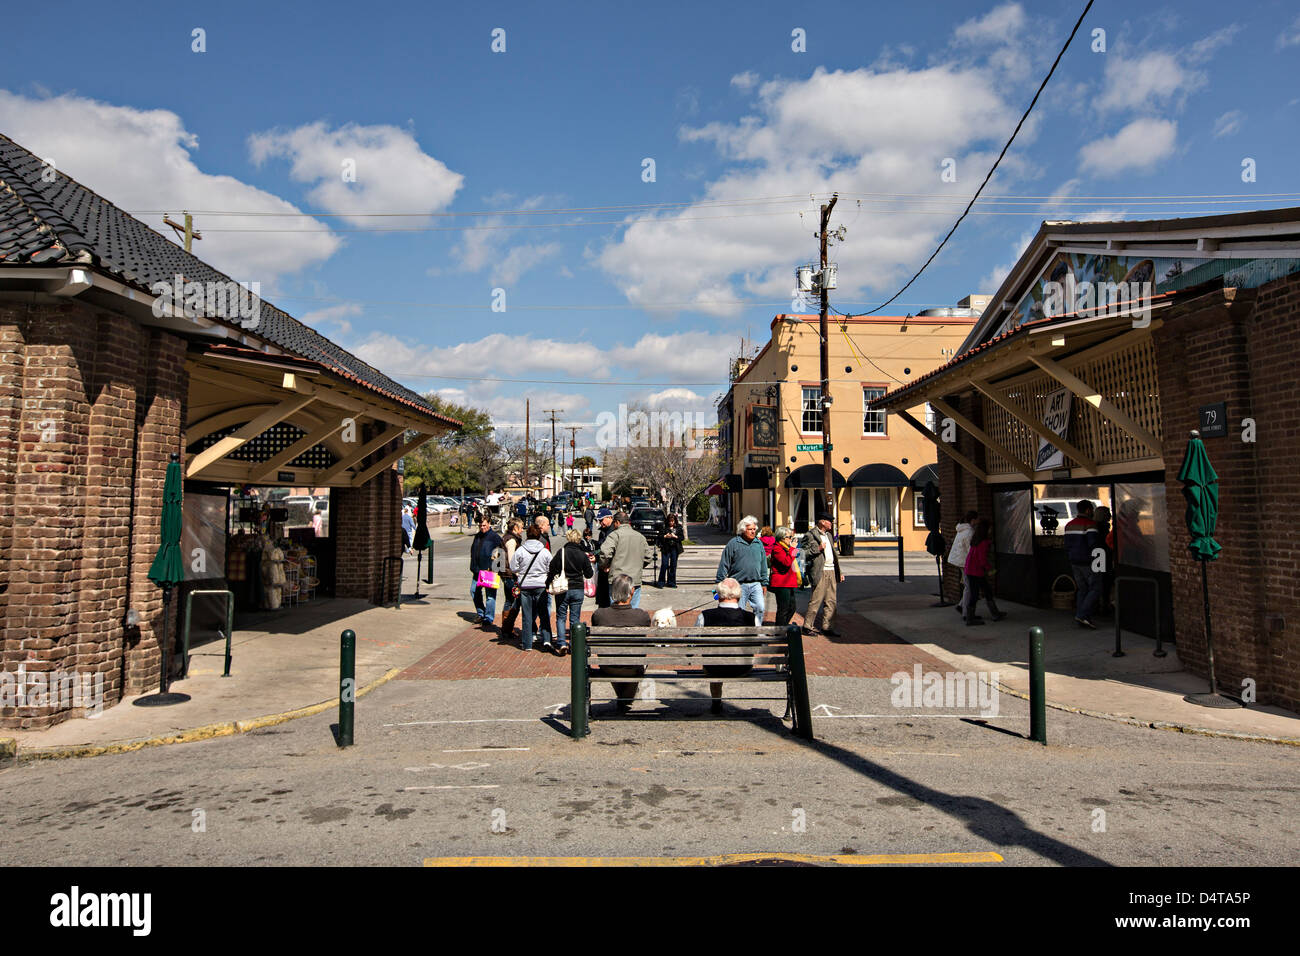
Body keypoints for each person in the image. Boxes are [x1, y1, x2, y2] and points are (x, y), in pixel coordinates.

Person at [590, 573, 651, 710]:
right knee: (635, 661)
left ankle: (624, 698)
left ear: (613, 592)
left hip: (607, 666)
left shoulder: (599, 615)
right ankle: (626, 698)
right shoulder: (642, 616)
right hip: (633, 668)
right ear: (632, 592)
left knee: (614, 659)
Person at [697, 577, 757, 714]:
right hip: (742, 668)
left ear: (718, 595)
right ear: (738, 595)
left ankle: (716, 701)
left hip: (713, 669)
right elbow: (761, 641)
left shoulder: (705, 616)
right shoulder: (751, 618)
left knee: (715, 661)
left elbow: (694, 642)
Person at [546, 528, 594, 655]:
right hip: (577, 587)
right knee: (575, 618)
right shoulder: (582, 555)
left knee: (561, 616)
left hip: (563, 588)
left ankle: (562, 643)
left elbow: (552, 568)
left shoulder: (561, 552)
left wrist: (548, 583)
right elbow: (589, 574)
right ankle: (574, 644)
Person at [716, 515, 769, 620]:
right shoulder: (733, 544)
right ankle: (739, 631)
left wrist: (764, 582)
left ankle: (757, 630)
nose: (753, 531)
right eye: (750, 529)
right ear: (743, 530)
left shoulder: (758, 544)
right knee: (738, 611)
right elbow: (724, 564)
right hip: (739, 584)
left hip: (756, 584)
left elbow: (763, 565)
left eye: (754, 529)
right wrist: (720, 582)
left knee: (760, 608)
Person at [511, 523, 553, 650]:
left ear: (527, 535)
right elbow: (550, 567)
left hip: (525, 586)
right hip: (541, 585)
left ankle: (527, 643)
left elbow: (514, 567)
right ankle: (547, 639)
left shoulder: (521, 550)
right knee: (544, 613)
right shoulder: (544, 551)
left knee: (527, 616)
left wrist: (522, 571)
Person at [800, 517, 843, 636]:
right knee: (816, 600)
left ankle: (827, 627)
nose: (832, 524)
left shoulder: (829, 535)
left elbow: (833, 555)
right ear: (822, 522)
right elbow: (802, 553)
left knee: (831, 601)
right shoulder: (810, 535)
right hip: (820, 571)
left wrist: (840, 572)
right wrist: (817, 549)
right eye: (830, 521)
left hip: (832, 570)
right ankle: (807, 626)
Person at [1065, 499, 1104, 629]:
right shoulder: (1090, 524)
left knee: (1082, 589)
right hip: (1089, 562)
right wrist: (1101, 563)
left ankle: (1081, 616)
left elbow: (1067, 545)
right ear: (1088, 510)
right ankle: (1082, 615)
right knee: (1096, 588)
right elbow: (1094, 545)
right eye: (1092, 510)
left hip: (1074, 562)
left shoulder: (1069, 525)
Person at [598, 511, 648, 608]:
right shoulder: (640, 536)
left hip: (617, 578)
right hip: (634, 578)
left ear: (617, 522)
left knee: (616, 610)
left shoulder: (614, 535)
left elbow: (604, 553)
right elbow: (648, 556)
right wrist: (638, 566)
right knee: (633, 610)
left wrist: (605, 565)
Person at [962, 519, 1005, 625]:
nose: (991, 530)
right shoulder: (984, 542)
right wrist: (989, 568)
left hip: (971, 569)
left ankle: (992, 613)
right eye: (990, 528)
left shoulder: (976, 540)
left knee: (984, 591)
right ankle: (971, 618)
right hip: (976, 571)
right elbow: (982, 559)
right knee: (977, 593)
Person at [469, 516, 504, 627]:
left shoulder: (495, 538)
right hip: (477, 570)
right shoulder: (478, 536)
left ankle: (488, 617)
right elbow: (474, 551)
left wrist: (495, 569)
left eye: (484, 525)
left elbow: (500, 554)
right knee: (474, 591)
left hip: (489, 571)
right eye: (480, 525)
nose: (482, 527)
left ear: (489, 524)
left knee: (490, 596)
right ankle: (481, 613)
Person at [498, 517, 525, 639]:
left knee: (509, 600)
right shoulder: (512, 541)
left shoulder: (506, 537)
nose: (523, 530)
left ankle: (506, 628)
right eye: (521, 527)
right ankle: (508, 627)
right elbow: (512, 559)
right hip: (510, 575)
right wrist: (518, 574)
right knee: (515, 601)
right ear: (515, 528)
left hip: (505, 573)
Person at [768, 527, 800, 627]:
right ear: (782, 538)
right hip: (781, 583)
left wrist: (793, 549)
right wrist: (793, 548)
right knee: (783, 608)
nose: (791, 539)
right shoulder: (777, 548)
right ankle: (780, 630)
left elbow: (792, 558)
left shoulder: (786, 548)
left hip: (789, 582)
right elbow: (786, 562)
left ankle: (783, 626)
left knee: (792, 607)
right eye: (789, 537)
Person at [948, 510, 978, 613]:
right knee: (968, 587)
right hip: (964, 561)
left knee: (967, 585)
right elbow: (971, 550)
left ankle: (961, 606)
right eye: (976, 520)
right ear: (973, 520)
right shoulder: (969, 532)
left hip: (959, 559)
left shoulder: (961, 529)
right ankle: (966, 612)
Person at [656, 513, 682, 588]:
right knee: (664, 564)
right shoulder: (664, 527)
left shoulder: (678, 527)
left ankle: (672, 582)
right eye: (670, 521)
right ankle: (661, 582)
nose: (671, 523)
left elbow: (681, 537)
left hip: (674, 547)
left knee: (673, 565)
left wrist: (675, 536)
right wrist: (665, 536)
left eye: (672, 521)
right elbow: (659, 536)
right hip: (666, 547)